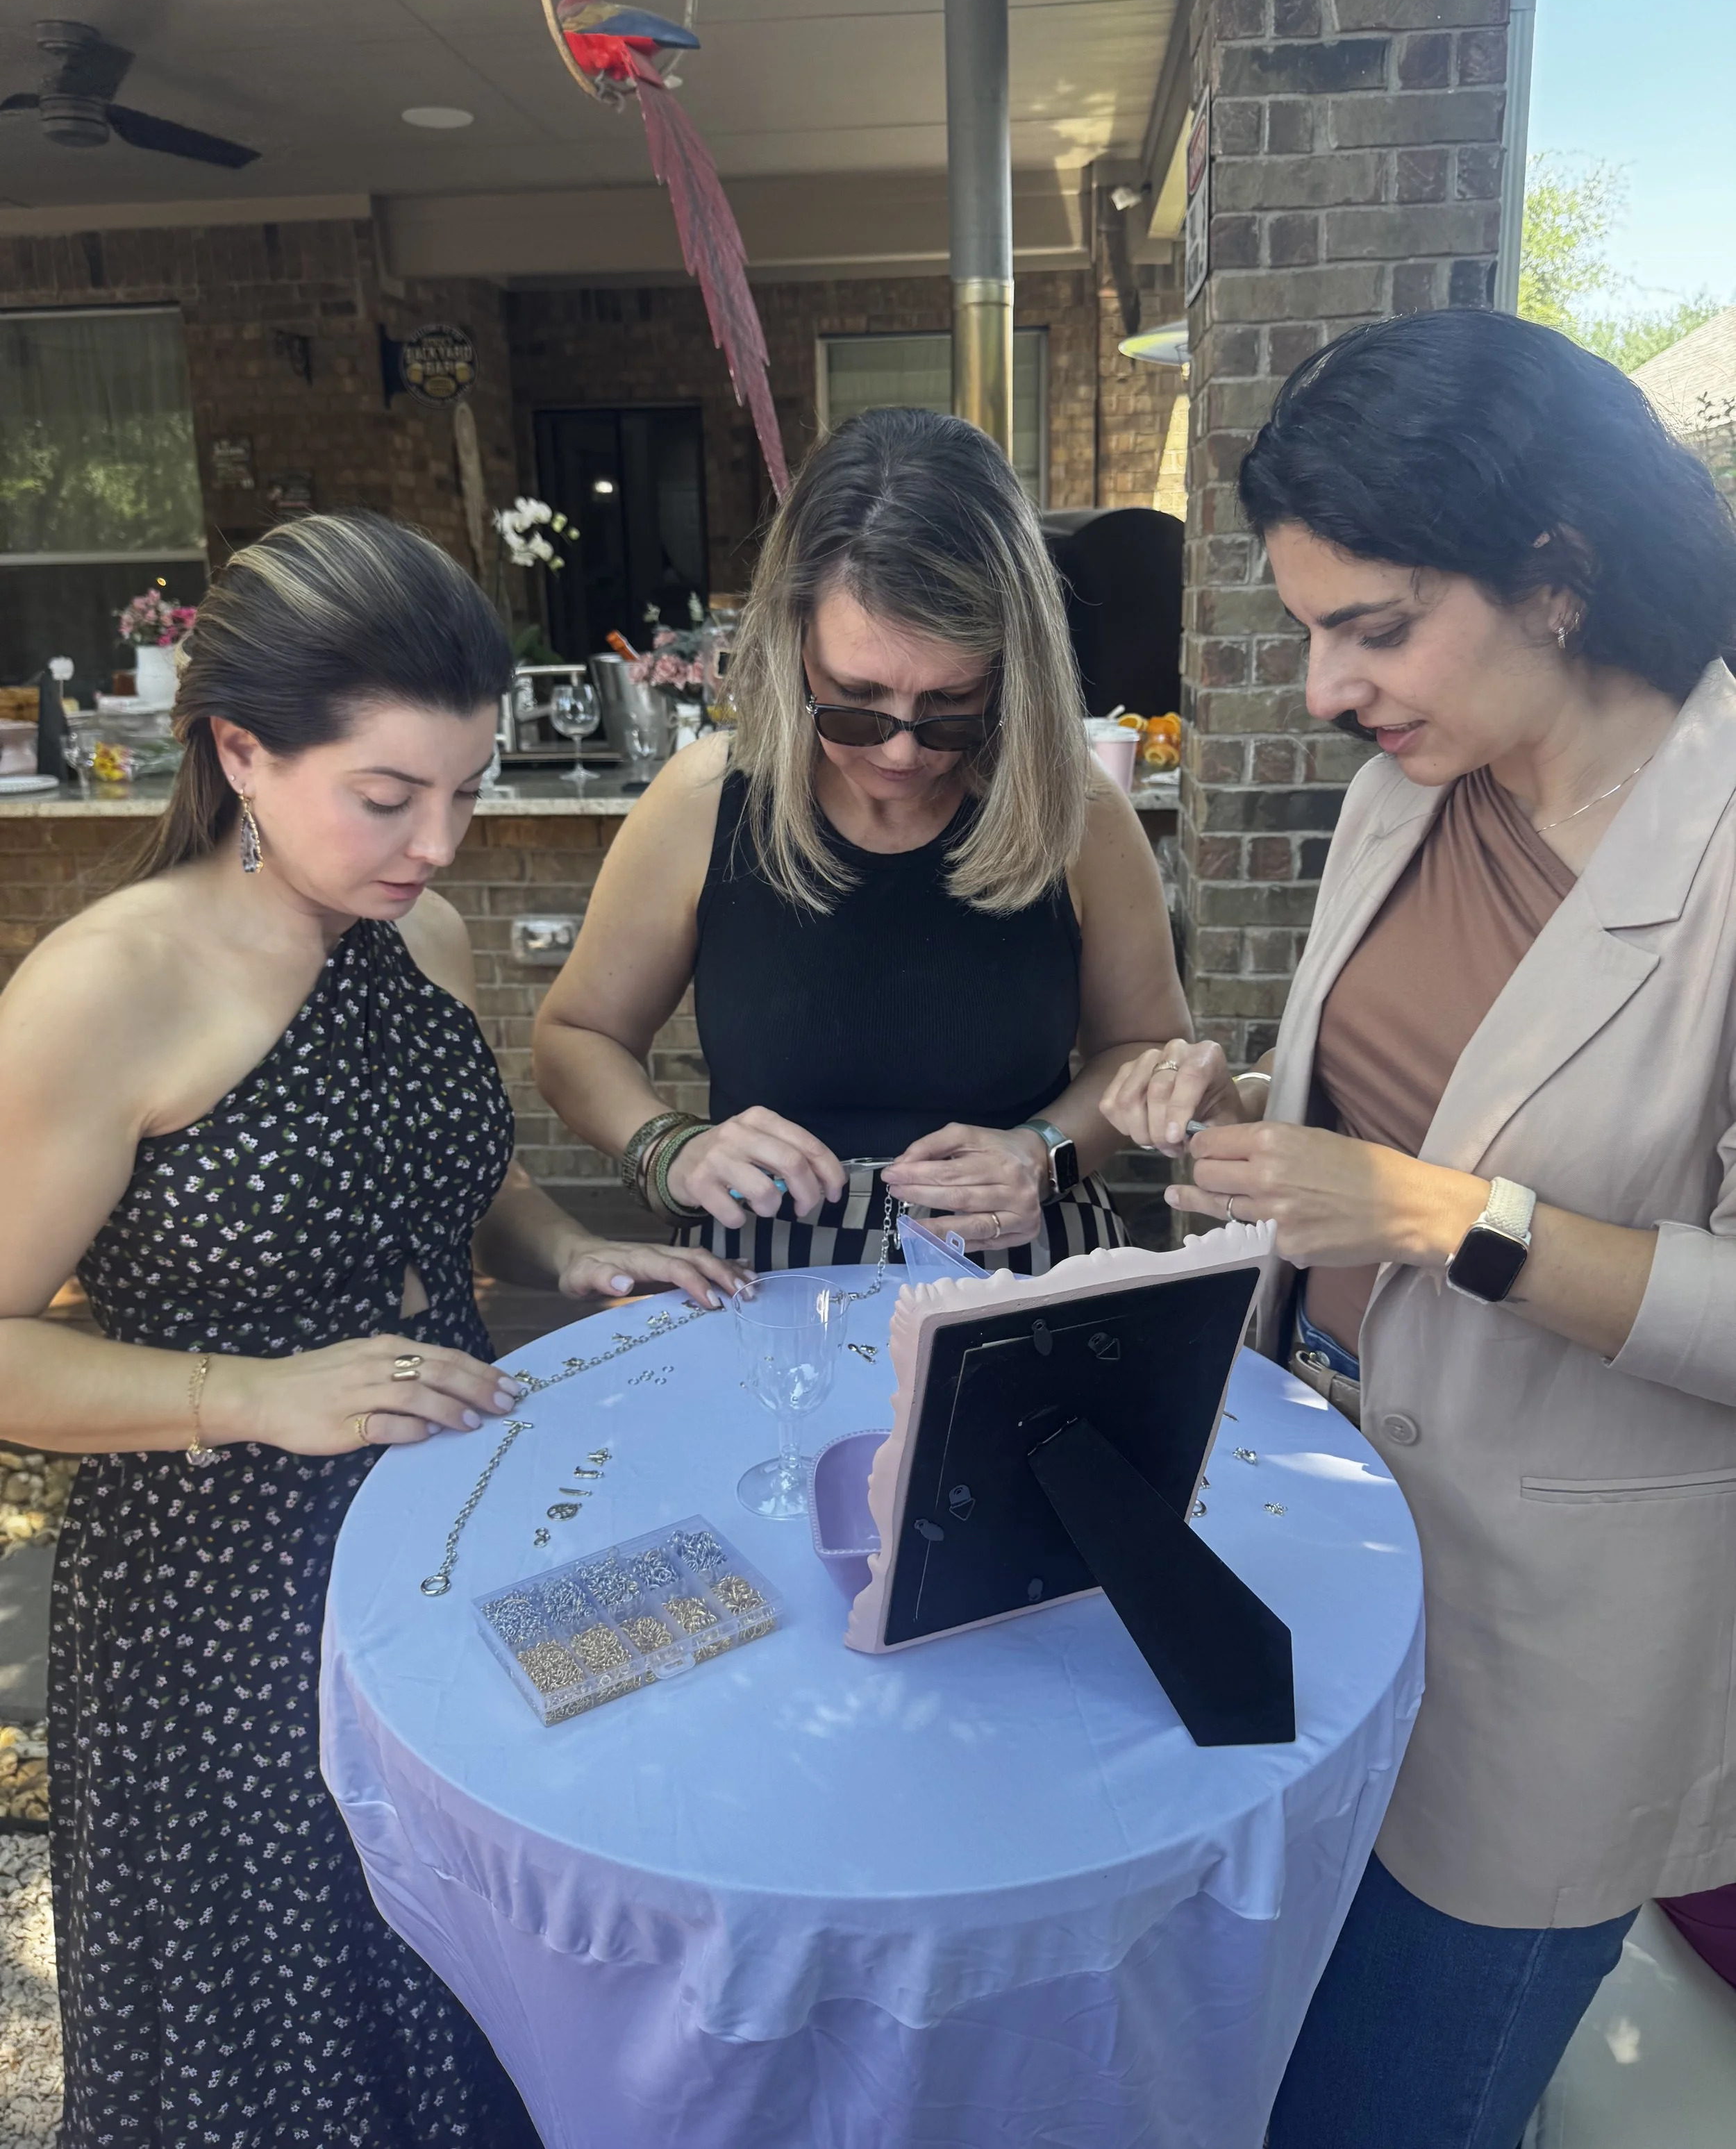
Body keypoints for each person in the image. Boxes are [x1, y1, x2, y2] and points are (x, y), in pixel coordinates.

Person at [0, 512, 738, 2148]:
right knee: (292, 2029)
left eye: (466, 791)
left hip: (451, 1533)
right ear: (241, 751)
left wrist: (568, 1245)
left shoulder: (418, 937)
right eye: (390, 797)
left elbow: (432, 1180)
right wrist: (249, 1394)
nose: (441, 841)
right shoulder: (102, 991)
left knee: (467, 1982)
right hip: (221, 1612)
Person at [1101, 308, 1736, 2149]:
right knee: (1261, 2067)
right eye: (1309, 628)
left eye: (1369, 628)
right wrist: (1230, 1141)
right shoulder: (1401, 802)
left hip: (1551, 1646)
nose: (1320, 687)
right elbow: (1359, 1152)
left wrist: (1437, 1212)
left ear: (1554, 575)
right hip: (1313, 1558)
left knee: (1396, 2103)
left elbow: (1436, 1195)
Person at [532, 405, 1191, 1273]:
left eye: (952, 703)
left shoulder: (1080, 814)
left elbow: (1143, 1049)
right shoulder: (701, 803)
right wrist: (667, 1147)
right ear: (790, 641)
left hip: (1015, 1261)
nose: (903, 749)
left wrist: (1042, 1153)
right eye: (856, 697)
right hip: (762, 1277)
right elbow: (577, 1034)